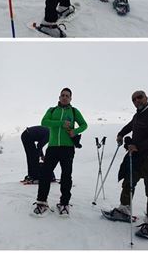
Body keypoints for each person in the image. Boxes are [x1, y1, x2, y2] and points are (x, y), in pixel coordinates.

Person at [106, 90, 148, 239]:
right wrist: (120, 134)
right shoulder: (138, 115)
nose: (137, 100)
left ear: (146, 98)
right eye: (134, 99)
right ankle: (124, 210)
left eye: (139, 97)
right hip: (137, 156)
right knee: (129, 181)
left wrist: (139, 146)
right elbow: (130, 126)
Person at [33, 88, 88, 216]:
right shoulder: (52, 110)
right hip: (52, 147)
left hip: (68, 148)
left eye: (67, 96)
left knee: (66, 176)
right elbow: (44, 122)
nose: (64, 97)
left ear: (70, 98)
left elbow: (84, 125)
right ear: (59, 97)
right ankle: (41, 202)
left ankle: (64, 203)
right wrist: (61, 123)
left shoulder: (74, 111)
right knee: (45, 174)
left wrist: (75, 131)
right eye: (62, 95)